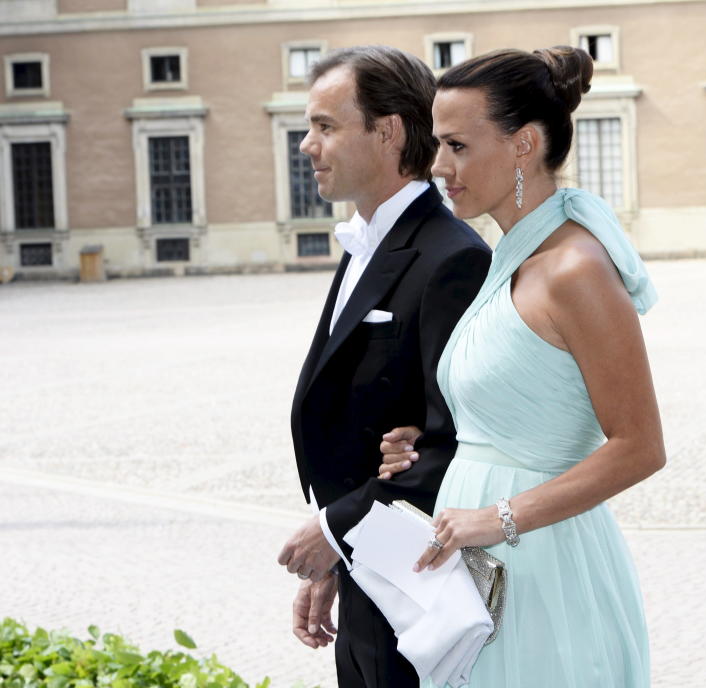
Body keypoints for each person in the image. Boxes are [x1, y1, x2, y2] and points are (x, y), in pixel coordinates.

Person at [377, 46, 666, 687]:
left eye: (456, 145)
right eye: (437, 144)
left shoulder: (575, 269)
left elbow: (641, 447)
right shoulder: (509, 256)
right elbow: (521, 402)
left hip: (545, 569)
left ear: (523, 145)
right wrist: (427, 446)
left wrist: (496, 518)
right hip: (475, 573)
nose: (438, 165)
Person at [276, 46, 491, 688]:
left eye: (325, 126)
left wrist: (334, 532)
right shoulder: (365, 240)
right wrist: (342, 563)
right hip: (371, 565)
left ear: (389, 130)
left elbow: (454, 441)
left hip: (417, 581)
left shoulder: (452, 258)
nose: (308, 145)